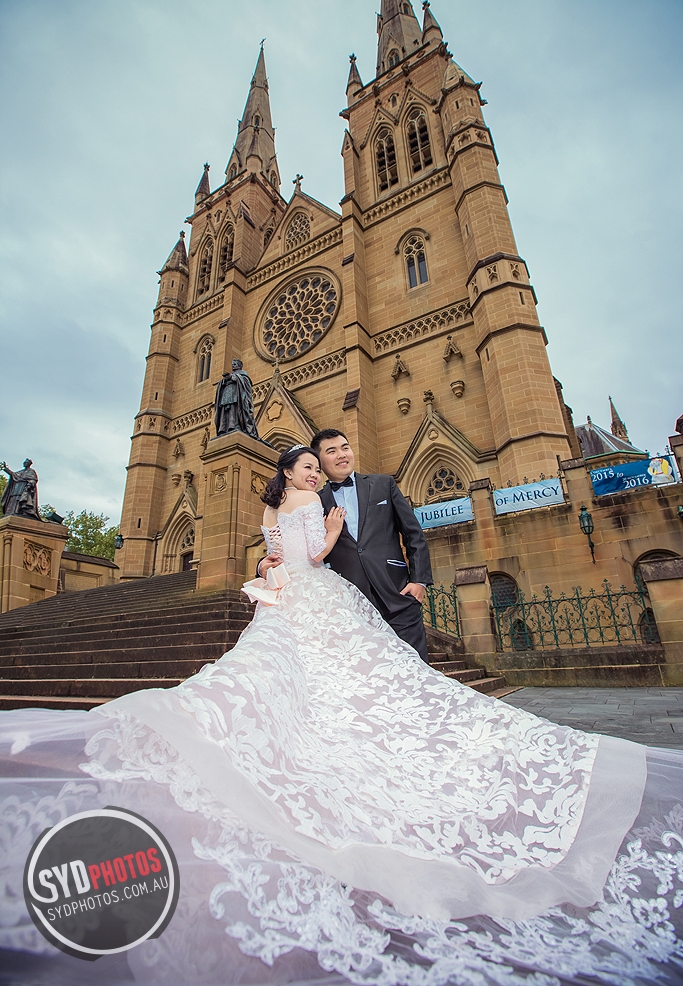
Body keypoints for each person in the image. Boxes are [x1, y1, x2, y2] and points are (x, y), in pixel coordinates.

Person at [0, 444, 682, 986]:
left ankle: (254, 733)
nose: (315, 472)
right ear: (294, 472)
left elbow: (273, 555)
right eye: (307, 465)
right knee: (349, 676)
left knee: (289, 674)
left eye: (315, 464)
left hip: (290, 594)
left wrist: (278, 566)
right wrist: (327, 532)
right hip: (316, 589)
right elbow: (313, 556)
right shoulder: (314, 505)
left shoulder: (274, 508)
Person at [257, 429, 433, 661]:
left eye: (345, 447)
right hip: (349, 608)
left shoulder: (383, 484)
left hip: (397, 595)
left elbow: (413, 533)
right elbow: (292, 546)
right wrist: (261, 566)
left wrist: (419, 581)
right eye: (332, 451)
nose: (342, 454)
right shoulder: (314, 498)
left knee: (416, 668)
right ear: (320, 462)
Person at [214, 358, 259, 438]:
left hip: (235, 395)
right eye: (232, 364)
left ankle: (233, 425)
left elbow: (246, 384)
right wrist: (224, 380)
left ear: (239, 366)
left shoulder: (243, 374)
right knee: (224, 411)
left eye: (235, 364)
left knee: (233, 410)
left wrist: (233, 377)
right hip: (226, 395)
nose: (233, 366)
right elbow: (222, 384)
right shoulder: (232, 374)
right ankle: (223, 428)